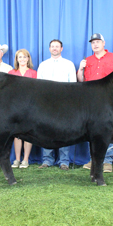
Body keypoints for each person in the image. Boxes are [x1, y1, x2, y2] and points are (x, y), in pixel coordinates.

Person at [77, 33, 113, 173]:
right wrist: (80, 68)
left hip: (109, 100)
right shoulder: (87, 60)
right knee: (91, 129)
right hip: (91, 100)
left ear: (104, 43)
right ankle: (94, 160)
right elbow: (81, 80)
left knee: (108, 128)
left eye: (98, 42)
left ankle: (107, 161)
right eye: (93, 42)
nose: (95, 44)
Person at [37, 39, 76, 170]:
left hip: (64, 102)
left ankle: (64, 161)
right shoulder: (43, 65)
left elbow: (73, 84)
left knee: (65, 130)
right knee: (46, 130)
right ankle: (47, 160)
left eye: (57, 46)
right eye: (52, 46)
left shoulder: (69, 64)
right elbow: (39, 85)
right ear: (49, 49)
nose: (54, 48)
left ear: (61, 48)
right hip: (47, 103)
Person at [8, 49, 37, 168]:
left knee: (28, 132)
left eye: (24, 57)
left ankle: (26, 159)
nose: (22, 59)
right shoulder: (11, 72)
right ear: (16, 59)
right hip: (15, 106)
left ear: (28, 59)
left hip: (29, 106)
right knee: (17, 133)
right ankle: (17, 159)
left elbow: (36, 90)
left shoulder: (33, 73)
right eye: (20, 57)